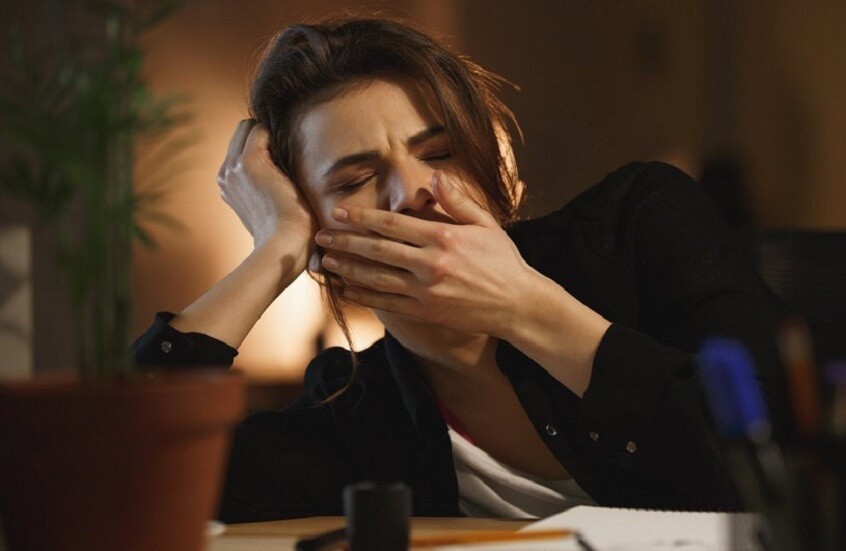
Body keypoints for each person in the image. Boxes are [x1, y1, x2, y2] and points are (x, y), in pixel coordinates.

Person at [132, 17, 786, 522]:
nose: (413, 191)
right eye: (355, 180)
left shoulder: (639, 224)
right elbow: (132, 482)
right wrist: (274, 251)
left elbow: (779, 465)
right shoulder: (355, 410)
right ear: (320, 241)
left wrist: (525, 308)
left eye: (440, 152)